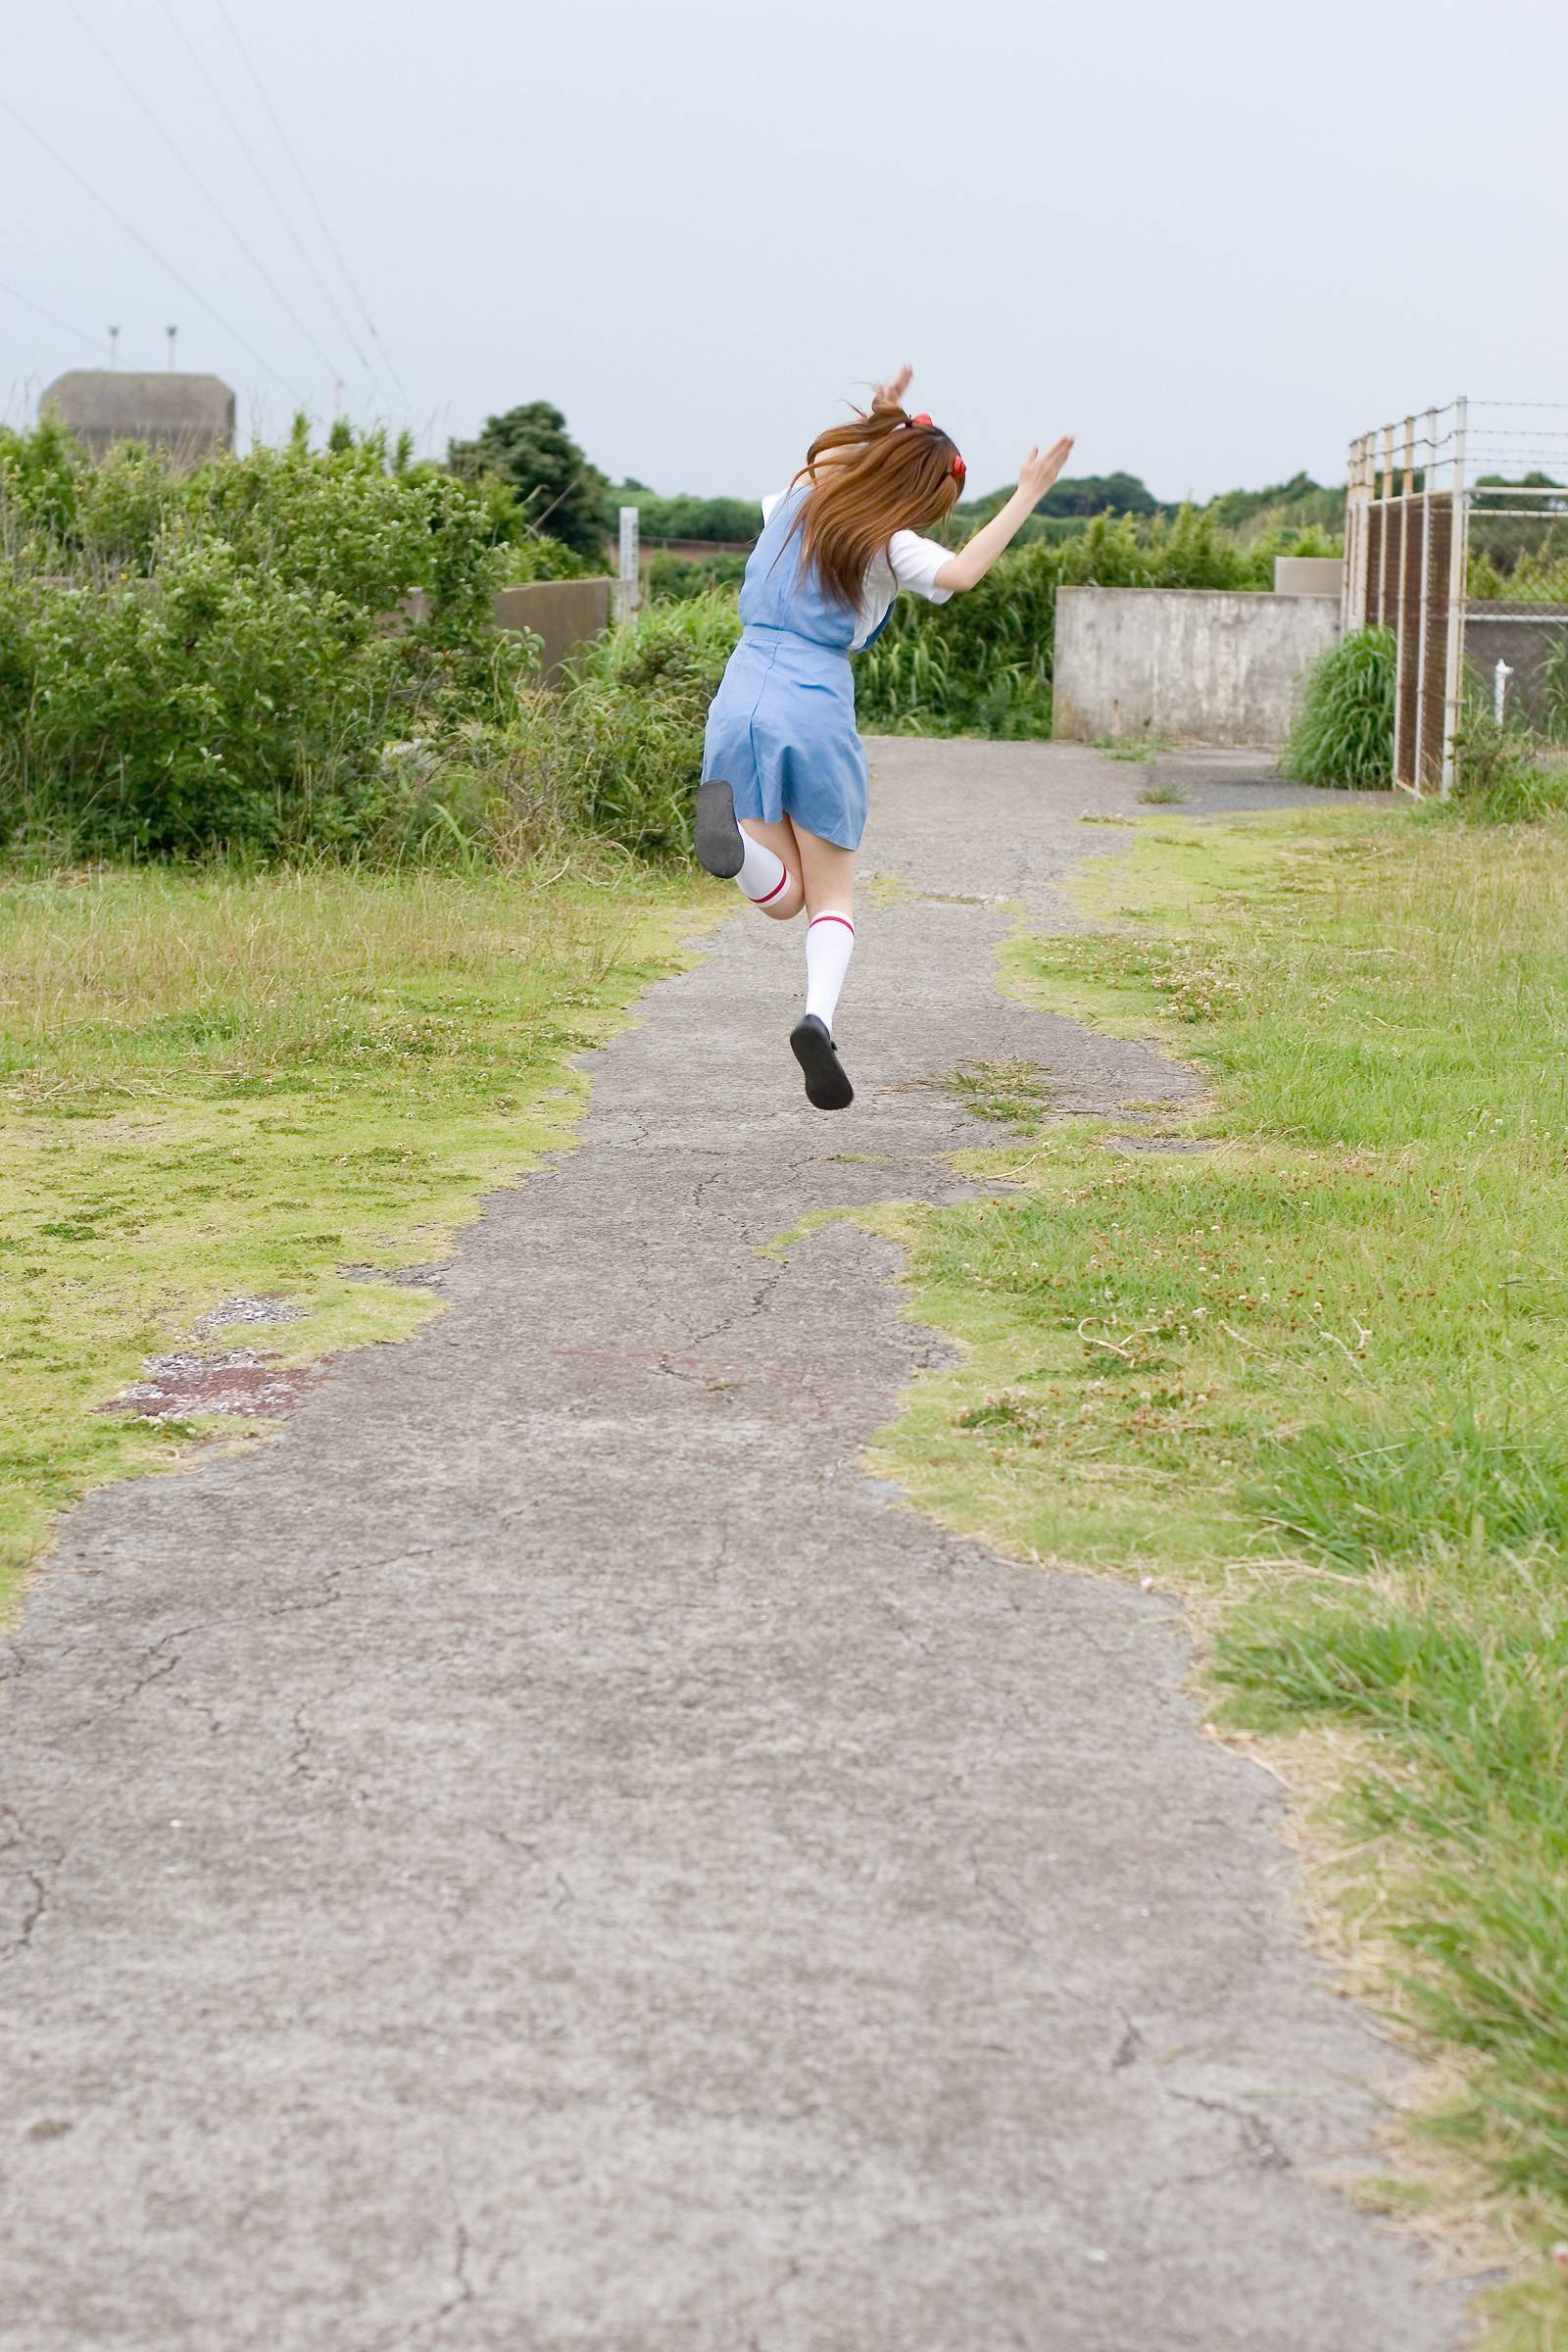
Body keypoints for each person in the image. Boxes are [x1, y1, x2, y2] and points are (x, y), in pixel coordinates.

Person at [696, 365, 1073, 1110]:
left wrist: (884, 419)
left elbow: (838, 464)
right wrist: (1027, 492)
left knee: (781, 897)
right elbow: (962, 574)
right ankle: (817, 1019)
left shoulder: (792, 498)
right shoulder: (890, 544)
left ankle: (737, 856)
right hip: (813, 699)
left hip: (740, 690)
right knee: (830, 897)